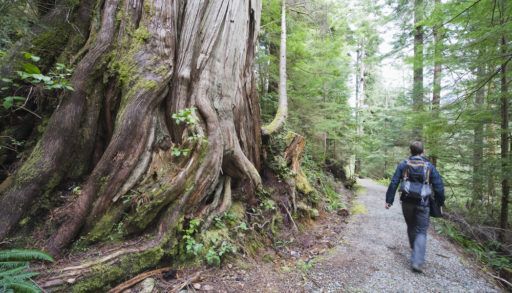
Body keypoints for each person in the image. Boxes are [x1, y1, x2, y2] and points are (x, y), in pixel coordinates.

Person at [385, 141, 445, 273]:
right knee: (422, 231)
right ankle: (417, 261)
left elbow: (394, 181)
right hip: (424, 203)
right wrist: (440, 203)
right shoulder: (429, 166)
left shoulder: (403, 164)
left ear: (411, 151)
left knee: (411, 226)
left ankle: (415, 249)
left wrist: (389, 200)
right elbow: (439, 186)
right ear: (422, 151)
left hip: (407, 202)